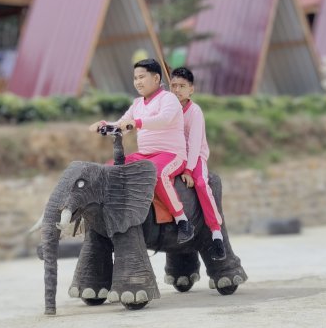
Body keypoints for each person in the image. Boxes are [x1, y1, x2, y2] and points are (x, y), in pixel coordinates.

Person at [90, 58, 194, 244]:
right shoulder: (137, 103)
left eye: (141, 77)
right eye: (135, 78)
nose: (137, 81)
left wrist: (137, 123)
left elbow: (164, 119)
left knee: (156, 173)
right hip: (144, 154)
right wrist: (105, 125)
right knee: (108, 168)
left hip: (171, 154)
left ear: (156, 79)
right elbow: (121, 124)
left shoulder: (169, 98)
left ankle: (182, 220)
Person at [170, 67, 226, 261]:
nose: (177, 90)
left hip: (194, 157)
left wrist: (188, 169)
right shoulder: (168, 108)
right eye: (173, 86)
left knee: (201, 183)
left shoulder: (195, 112)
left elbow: (194, 144)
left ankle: (216, 233)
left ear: (191, 89)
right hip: (173, 155)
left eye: (182, 86)